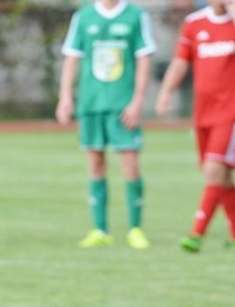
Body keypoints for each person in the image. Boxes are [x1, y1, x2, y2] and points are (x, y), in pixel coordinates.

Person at [155, 0, 235, 253]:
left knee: (214, 170)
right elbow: (181, 61)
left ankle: (196, 234)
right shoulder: (194, 23)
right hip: (203, 113)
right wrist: (165, 92)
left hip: (233, 111)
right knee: (220, 176)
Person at [56, 0, 155, 250]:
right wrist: (65, 96)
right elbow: (71, 57)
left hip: (122, 105)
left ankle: (135, 229)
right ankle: (99, 229)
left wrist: (137, 101)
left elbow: (144, 59)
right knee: (96, 166)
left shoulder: (136, 15)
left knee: (131, 167)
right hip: (91, 104)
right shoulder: (84, 16)